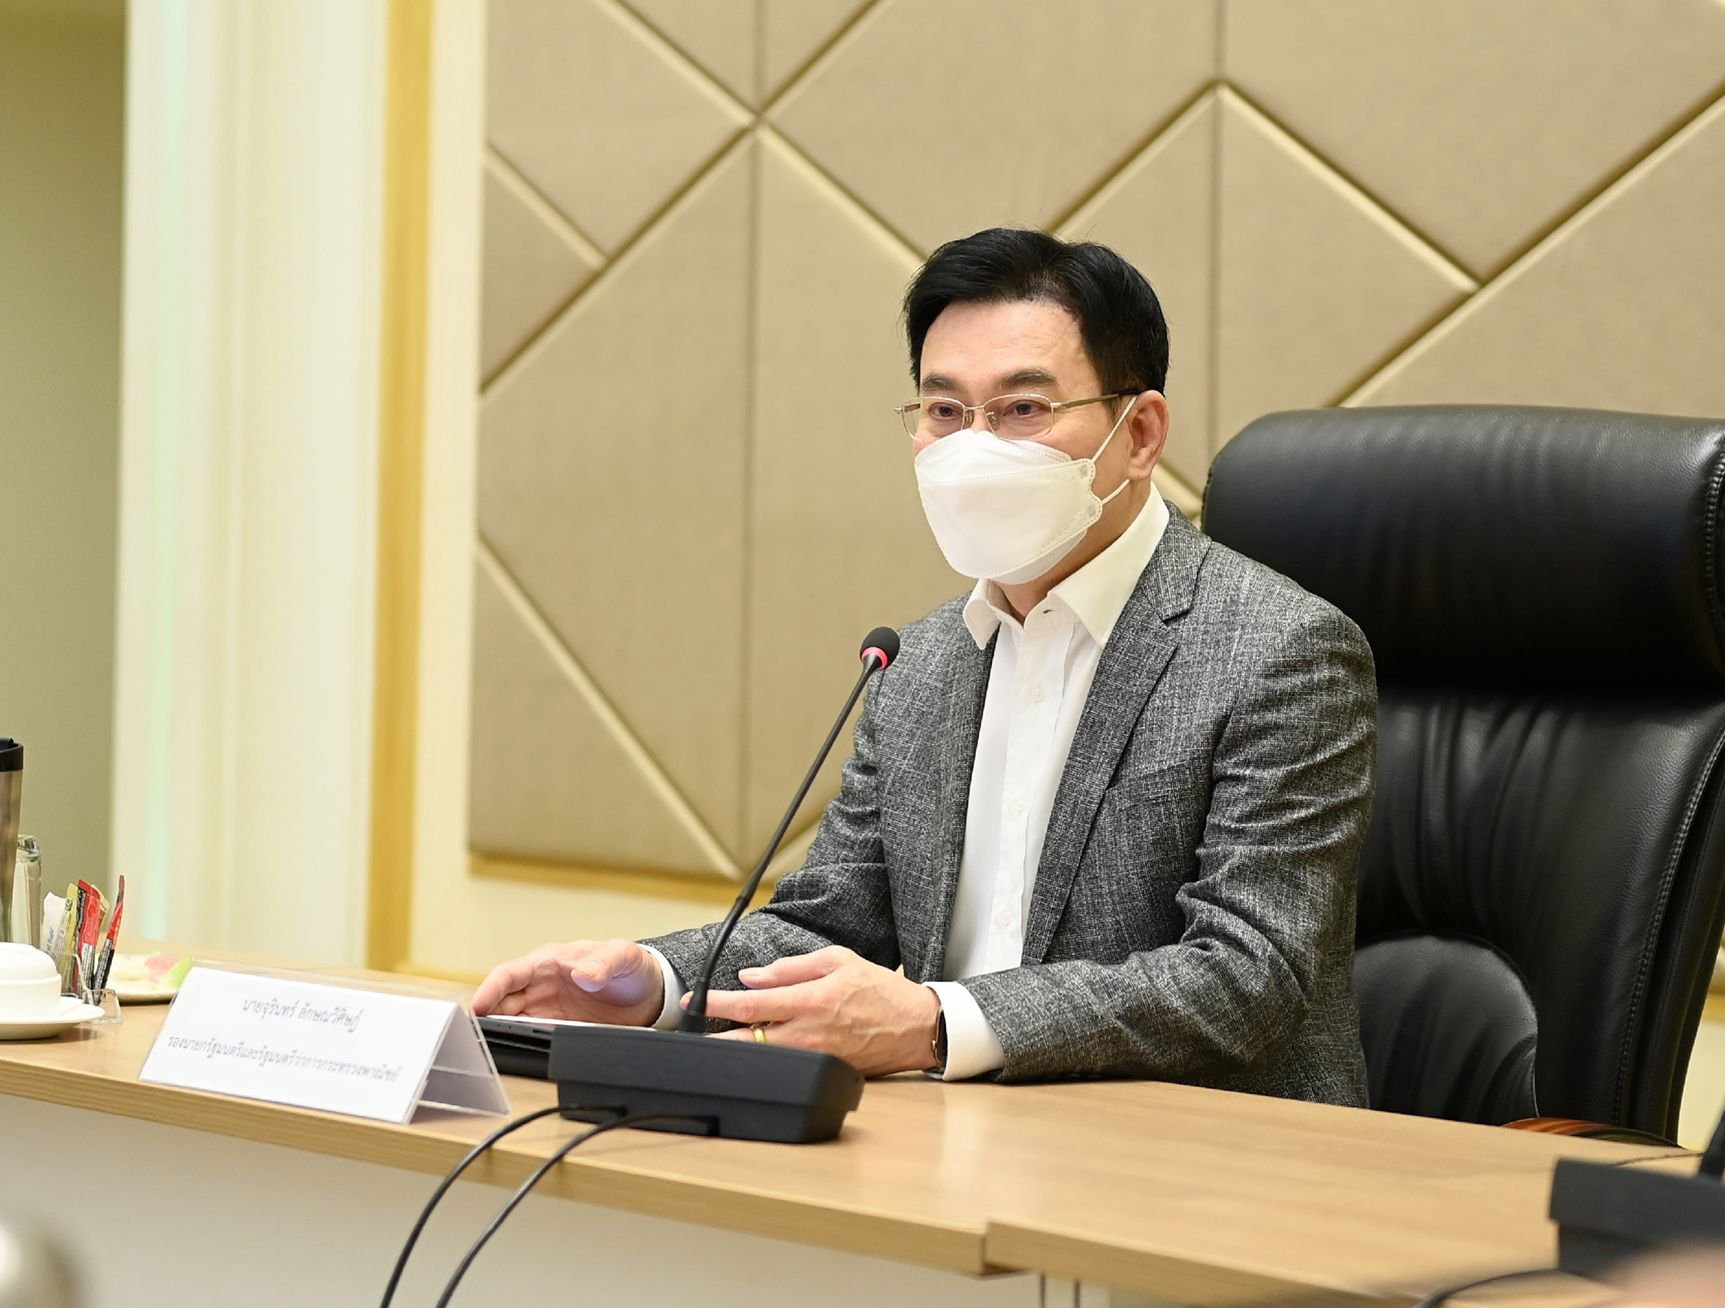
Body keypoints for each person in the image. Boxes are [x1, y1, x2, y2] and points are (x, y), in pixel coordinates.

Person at [474, 227, 1376, 1103]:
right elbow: (832, 922)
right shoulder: (921, 663)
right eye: (945, 411)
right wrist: (659, 984)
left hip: (1212, 1161)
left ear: (1139, 434)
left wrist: (937, 1025)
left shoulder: (1278, 651)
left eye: (1023, 410)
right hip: (974, 1140)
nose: (974, 447)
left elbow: (1246, 977)